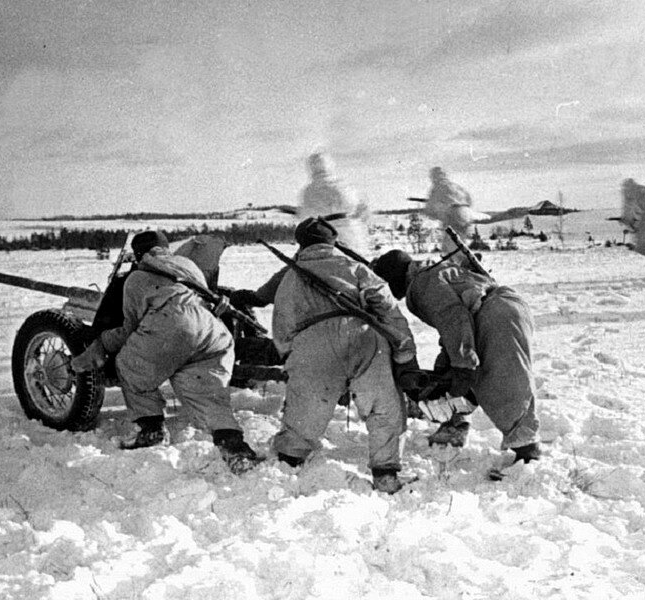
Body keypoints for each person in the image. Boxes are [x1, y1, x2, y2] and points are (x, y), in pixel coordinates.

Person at [70, 231, 261, 474]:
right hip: (210, 329)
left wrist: (102, 343)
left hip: (170, 324)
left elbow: (131, 328)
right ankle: (237, 451)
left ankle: (151, 430)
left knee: (130, 367)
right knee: (207, 392)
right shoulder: (187, 265)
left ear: (138, 255)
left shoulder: (136, 278)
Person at [269, 218, 418, 494]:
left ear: (301, 243)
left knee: (305, 408)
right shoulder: (355, 267)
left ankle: (289, 465)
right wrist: (405, 353)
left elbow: (282, 324)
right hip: (364, 337)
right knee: (383, 406)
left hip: (313, 343)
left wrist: (290, 356)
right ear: (333, 241)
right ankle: (386, 474)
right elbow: (387, 308)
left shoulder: (291, 277)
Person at [371, 249, 542, 467]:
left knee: (501, 385)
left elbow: (453, 318)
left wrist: (462, 364)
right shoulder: (438, 270)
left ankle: (528, 456)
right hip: (505, 307)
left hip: (494, 316)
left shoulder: (420, 285)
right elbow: (455, 325)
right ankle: (459, 428)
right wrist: (447, 367)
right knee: (503, 376)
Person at [298, 152, 371, 254]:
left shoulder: (308, 191)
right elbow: (362, 208)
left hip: (326, 236)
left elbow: (305, 218)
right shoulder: (345, 185)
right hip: (352, 232)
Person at [425, 167, 475, 258]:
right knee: (460, 243)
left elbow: (429, 209)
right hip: (466, 214)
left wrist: (432, 211)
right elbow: (469, 200)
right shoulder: (456, 186)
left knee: (450, 246)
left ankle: (459, 264)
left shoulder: (437, 187)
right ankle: (464, 261)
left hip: (453, 215)